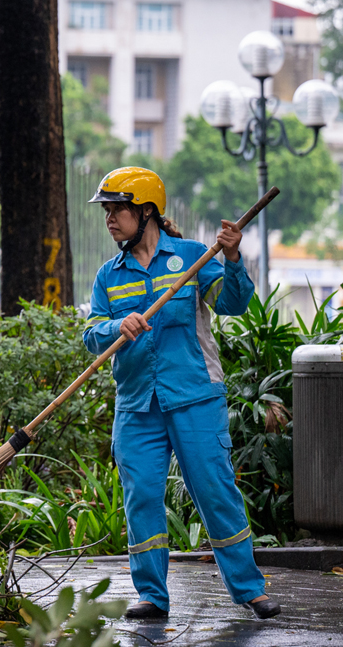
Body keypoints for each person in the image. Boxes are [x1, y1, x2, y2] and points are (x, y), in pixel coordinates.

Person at [82, 167, 280, 621]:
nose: (109, 218)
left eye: (117, 209)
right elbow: (92, 334)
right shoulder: (109, 276)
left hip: (195, 397)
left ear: (146, 210)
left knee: (215, 493)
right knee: (143, 499)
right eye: (106, 211)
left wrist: (232, 259)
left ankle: (250, 590)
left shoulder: (193, 258)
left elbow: (233, 304)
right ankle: (152, 595)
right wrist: (117, 325)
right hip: (137, 406)